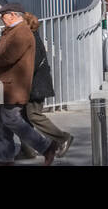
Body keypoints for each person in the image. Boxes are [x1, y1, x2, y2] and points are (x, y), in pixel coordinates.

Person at [0, 2, 57, 165]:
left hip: (14, 84)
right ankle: (5, 158)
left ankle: (46, 146)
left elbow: (7, 57)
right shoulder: (13, 31)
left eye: (4, 16)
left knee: (10, 119)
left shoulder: (21, 32)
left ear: (13, 15)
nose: (2, 19)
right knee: (3, 122)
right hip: (5, 83)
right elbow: (4, 53)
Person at [18, 13, 73, 158]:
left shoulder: (31, 39)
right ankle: (28, 148)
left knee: (33, 115)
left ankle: (63, 138)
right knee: (23, 116)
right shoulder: (29, 37)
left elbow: (32, 64)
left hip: (36, 85)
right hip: (30, 84)